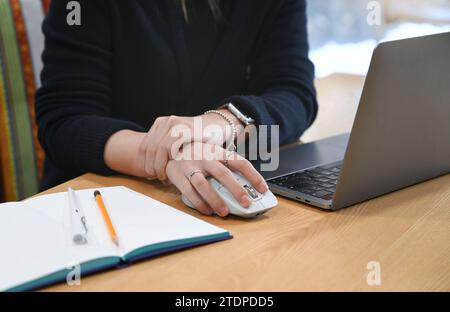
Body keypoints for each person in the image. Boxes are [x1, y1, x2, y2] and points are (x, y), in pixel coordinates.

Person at [35, 0, 317, 217]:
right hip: (98, 207)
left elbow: (294, 92)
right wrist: (171, 153)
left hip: (225, 197)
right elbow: (65, 120)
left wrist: (223, 122)